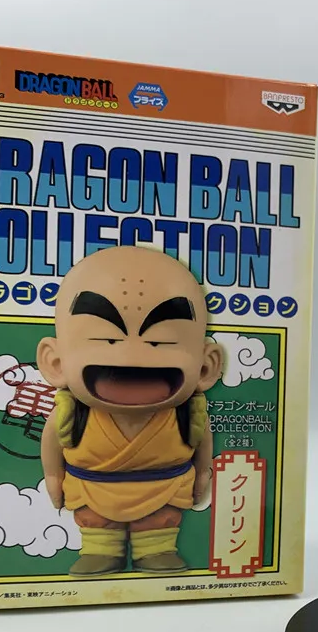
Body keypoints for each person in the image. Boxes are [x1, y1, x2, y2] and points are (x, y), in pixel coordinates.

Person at [38, 246, 224, 576]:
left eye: (160, 342)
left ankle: (156, 550)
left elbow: (202, 444)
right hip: (91, 490)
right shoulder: (71, 411)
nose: (131, 356)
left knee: (160, 519)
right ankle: (100, 551)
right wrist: (53, 477)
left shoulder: (187, 413)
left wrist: (203, 475)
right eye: (106, 339)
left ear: (206, 367)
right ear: (55, 363)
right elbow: (52, 442)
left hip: (165, 488)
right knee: (95, 520)